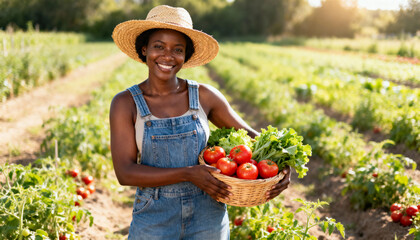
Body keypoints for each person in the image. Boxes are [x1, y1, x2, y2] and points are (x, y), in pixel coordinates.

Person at [109, 5, 291, 240]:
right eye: (158, 46)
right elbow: (125, 173)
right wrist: (189, 173)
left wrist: (282, 162)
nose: (167, 56)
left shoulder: (204, 96)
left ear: (185, 56)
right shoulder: (126, 103)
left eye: (178, 49)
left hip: (208, 216)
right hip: (155, 216)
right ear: (144, 50)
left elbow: (248, 135)